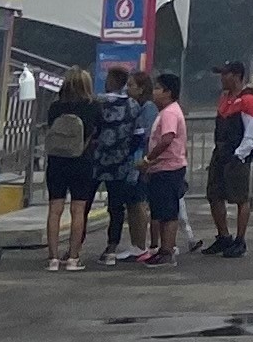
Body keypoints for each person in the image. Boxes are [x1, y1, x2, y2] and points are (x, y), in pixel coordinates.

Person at [205, 61, 253, 258]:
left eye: (225, 74)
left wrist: (240, 154)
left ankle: (240, 240)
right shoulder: (225, 98)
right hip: (220, 152)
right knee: (214, 195)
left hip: (238, 155)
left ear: (237, 75)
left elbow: (252, 131)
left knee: (240, 197)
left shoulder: (249, 100)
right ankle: (223, 236)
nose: (222, 78)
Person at [90, 64, 149, 265]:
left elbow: (91, 131)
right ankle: (111, 248)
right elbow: (139, 136)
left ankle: (74, 248)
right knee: (116, 208)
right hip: (121, 164)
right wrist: (129, 155)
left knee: (83, 203)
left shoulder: (97, 103)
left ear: (111, 81)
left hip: (96, 162)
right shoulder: (133, 106)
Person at [40, 74, 98, 271]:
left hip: (56, 162)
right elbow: (97, 131)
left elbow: (50, 128)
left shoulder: (55, 107)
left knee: (55, 209)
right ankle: (73, 257)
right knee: (78, 210)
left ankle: (53, 258)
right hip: (82, 161)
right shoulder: (92, 106)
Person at [140, 73, 192, 266]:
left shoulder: (170, 113)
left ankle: (167, 251)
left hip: (168, 167)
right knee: (161, 211)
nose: (154, 92)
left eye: (157, 88)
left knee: (168, 212)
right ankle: (163, 249)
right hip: (164, 168)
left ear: (168, 92)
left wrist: (149, 158)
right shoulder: (168, 111)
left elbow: (167, 138)